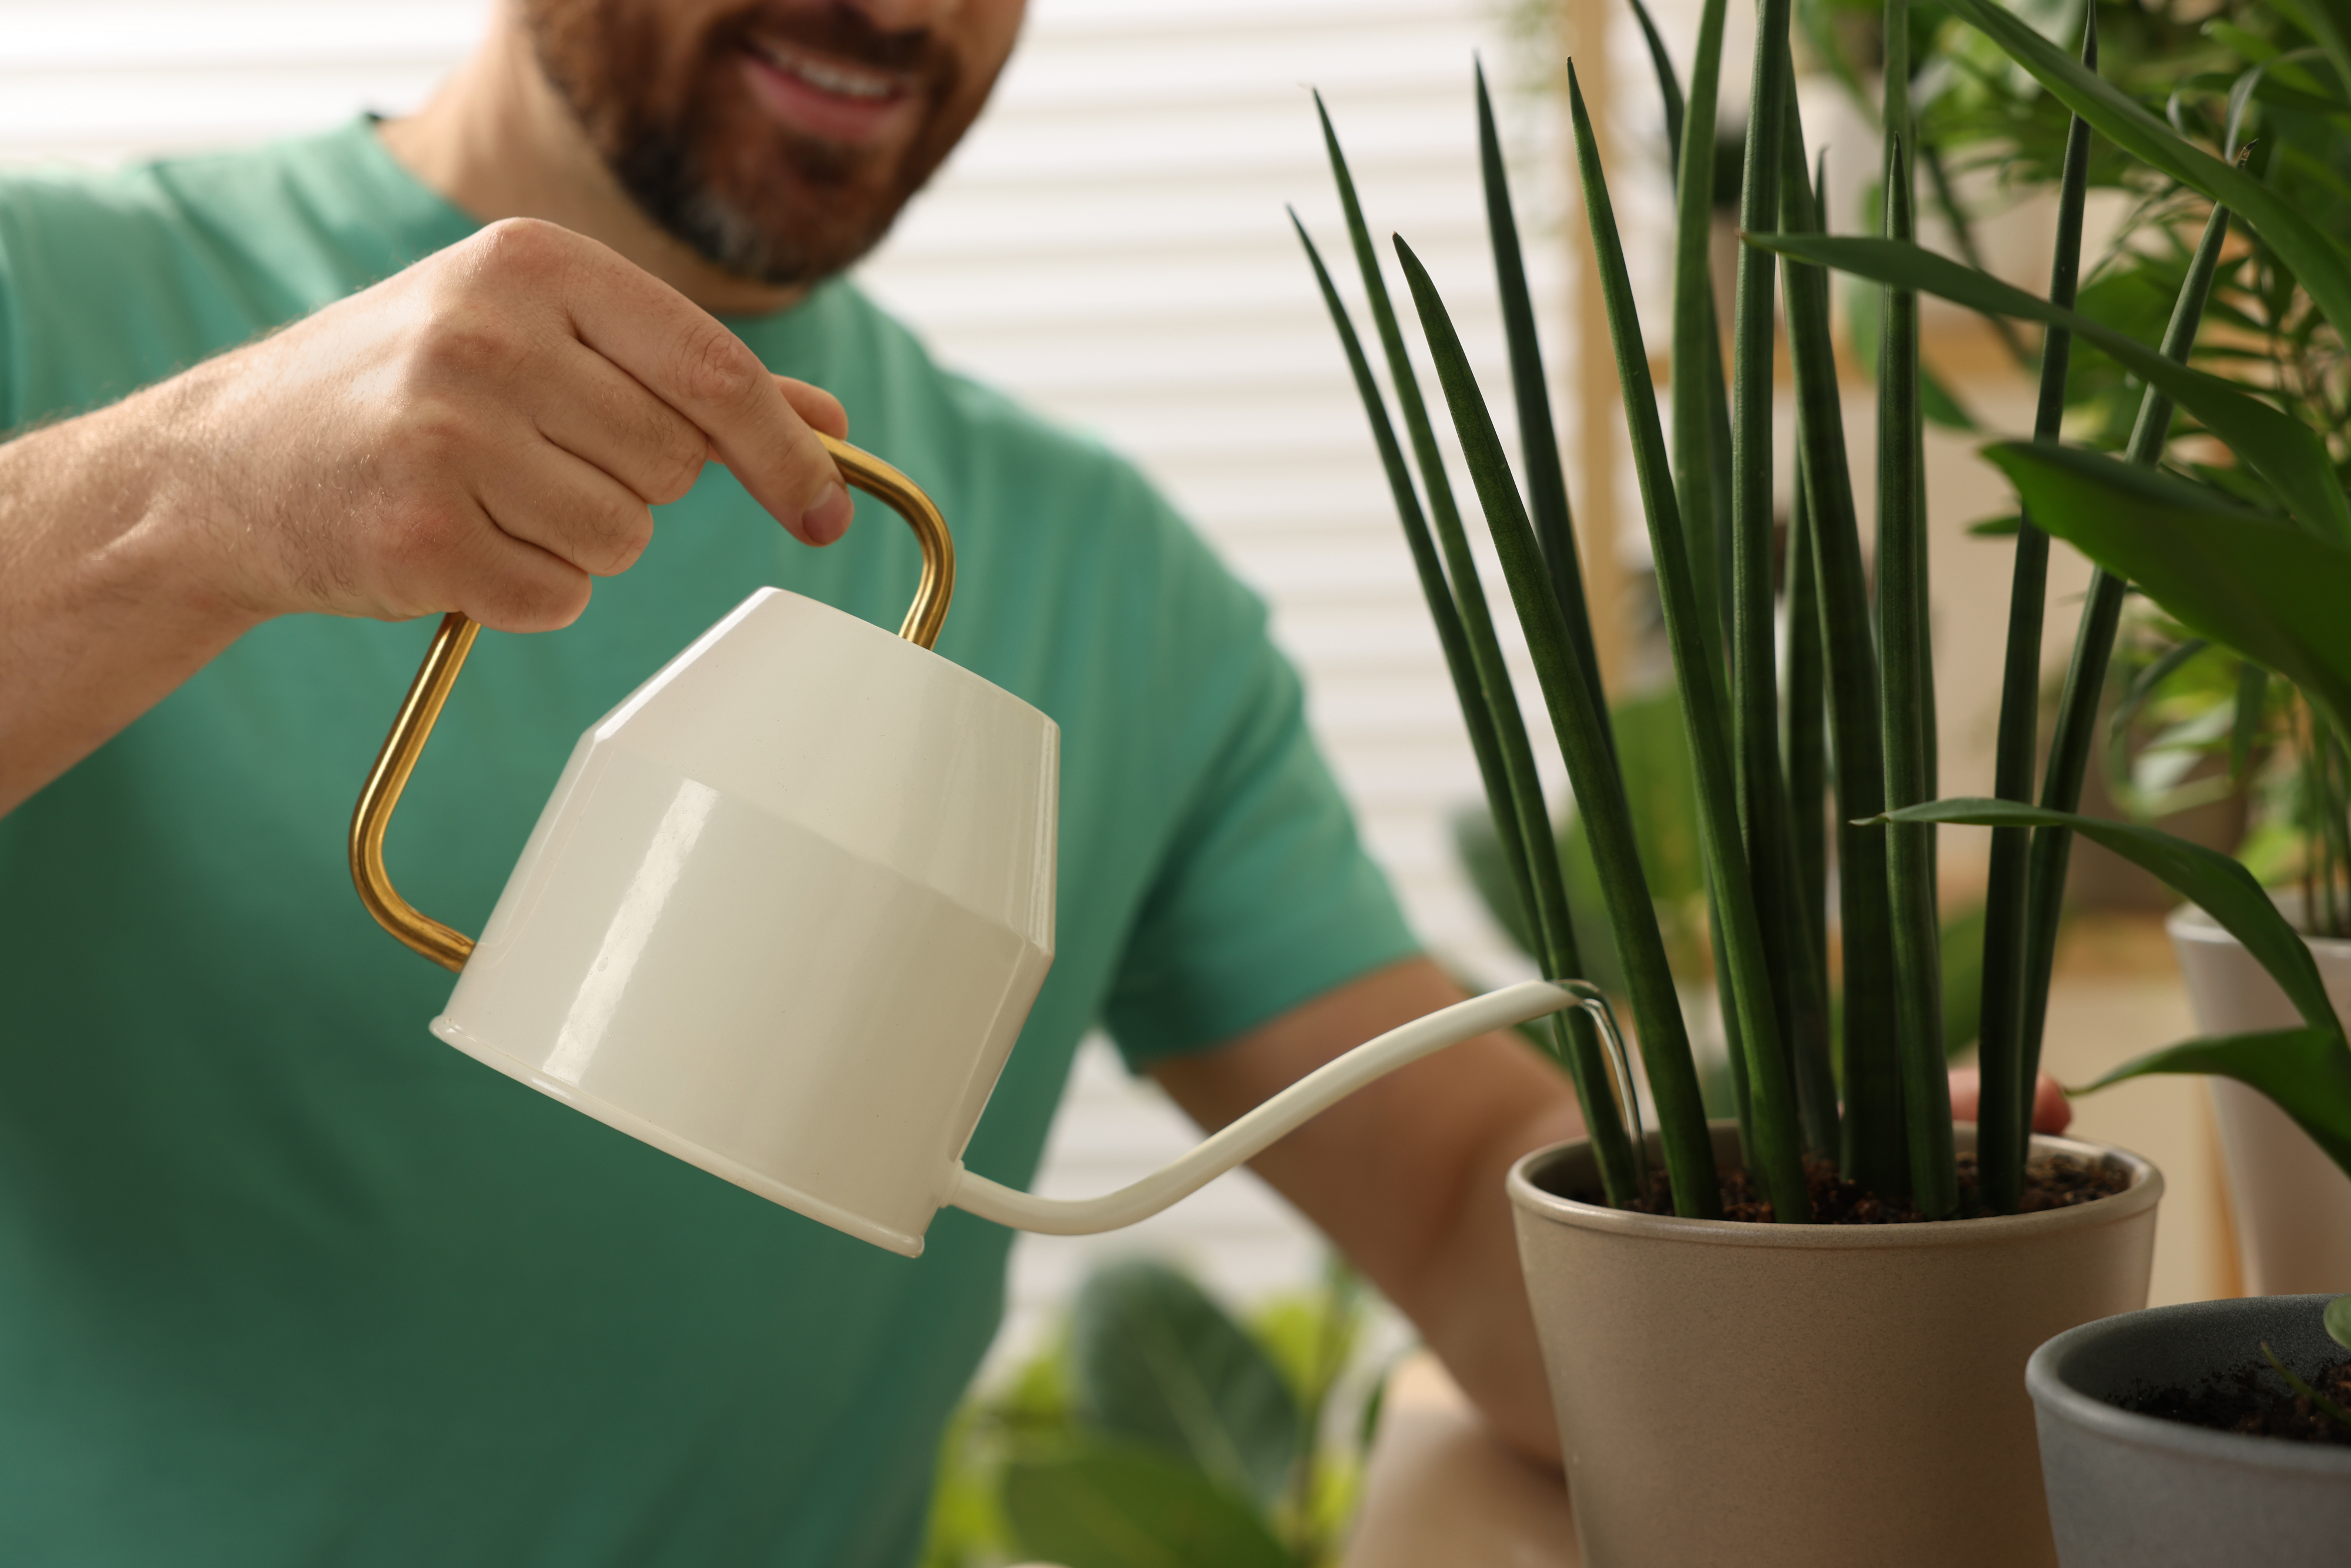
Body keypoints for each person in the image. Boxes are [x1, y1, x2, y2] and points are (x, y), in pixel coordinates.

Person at [0, 2, 2068, 1562]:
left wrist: (1802, 1221)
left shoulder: (1108, 585)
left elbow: (1453, 1198)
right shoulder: (59, 311)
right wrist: (192, 499)